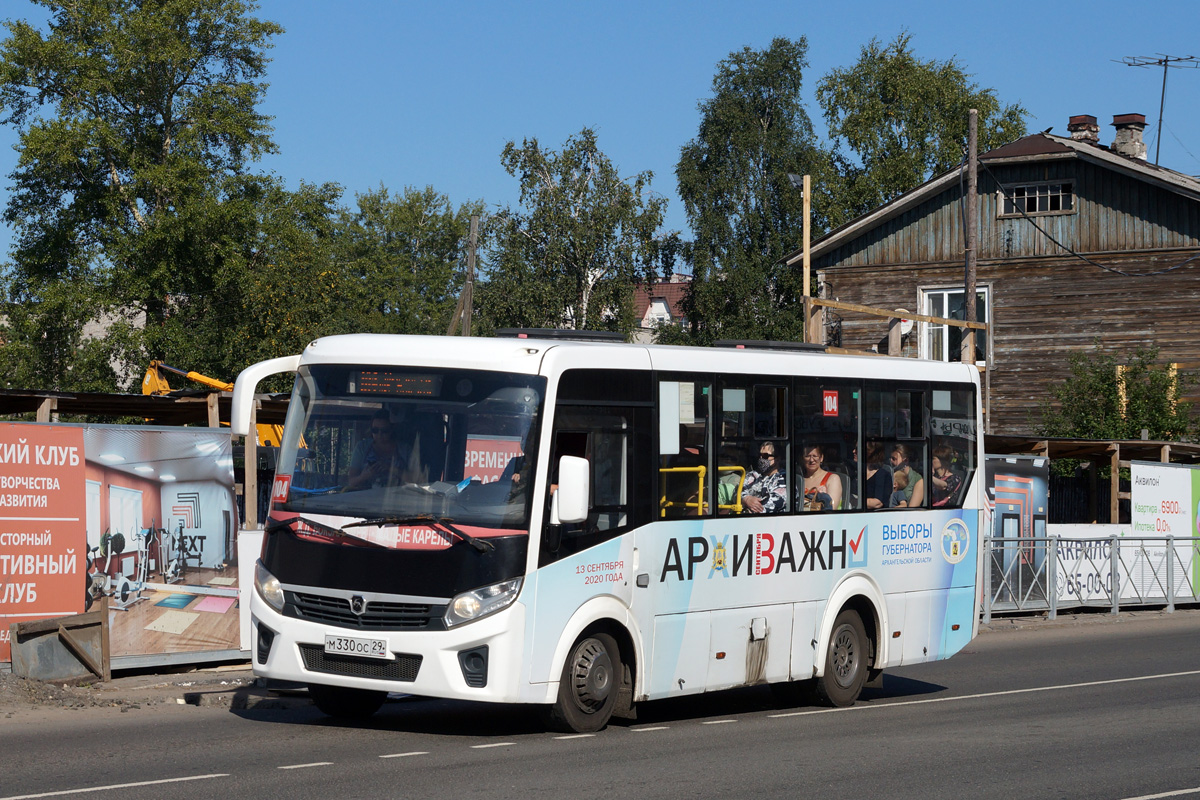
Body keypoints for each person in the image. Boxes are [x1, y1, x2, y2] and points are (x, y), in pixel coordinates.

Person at [347, 410, 408, 490]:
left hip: (398, 499)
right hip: (365, 499)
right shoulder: (362, 447)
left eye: (384, 431)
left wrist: (391, 468)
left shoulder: (404, 449)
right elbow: (351, 481)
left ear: (392, 430)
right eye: (375, 430)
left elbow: (417, 479)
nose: (379, 434)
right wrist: (364, 476)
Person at [741, 441, 787, 514]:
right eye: (760, 455)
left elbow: (767, 507)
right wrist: (746, 499)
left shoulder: (785, 480)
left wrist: (746, 510)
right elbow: (737, 491)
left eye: (765, 456)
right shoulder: (753, 475)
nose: (761, 458)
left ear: (777, 459)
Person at [801, 444, 842, 511]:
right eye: (807, 456)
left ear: (821, 458)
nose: (811, 460)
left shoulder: (833, 478)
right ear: (802, 459)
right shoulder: (799, 480)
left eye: (815, 456)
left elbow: (832, 508)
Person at [863, 441, 892, 510]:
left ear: (871, 453)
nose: (854, 451)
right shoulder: (853, 472)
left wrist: (854, 501)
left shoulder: (883, 475)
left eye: (858, 449)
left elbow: (877, 503)